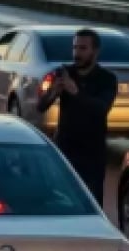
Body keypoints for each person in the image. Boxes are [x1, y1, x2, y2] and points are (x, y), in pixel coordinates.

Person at [37, 28, 117, 207]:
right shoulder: (64, 73)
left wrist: (75, 91)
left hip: (92, 152)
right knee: (60, 201)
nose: (76, 53)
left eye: (82, 48)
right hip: (65, 147)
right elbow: (41, 106)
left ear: (95, 51)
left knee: (91, 203)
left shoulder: (106, 79)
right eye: (74, 48)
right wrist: (53, 92)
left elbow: (100, 109)